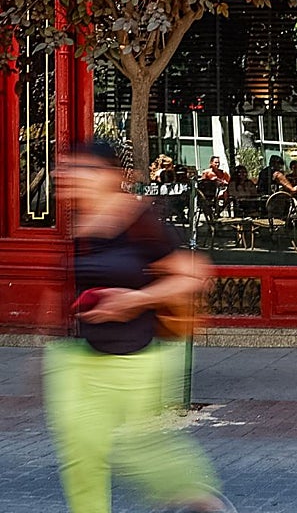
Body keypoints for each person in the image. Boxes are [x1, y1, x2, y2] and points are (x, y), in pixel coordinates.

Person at [43, 141, 231, 512]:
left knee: (134, 448)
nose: (67, 177)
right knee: (81, 454)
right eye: (66, 170)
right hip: (76, 358)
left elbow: (194, 275)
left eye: (81, 169)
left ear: (110, 176)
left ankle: (198, 499)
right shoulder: (74, 224)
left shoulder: (138, 220)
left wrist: (134, 300)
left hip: (136, 356)